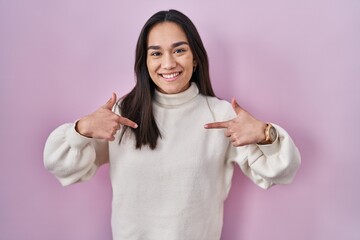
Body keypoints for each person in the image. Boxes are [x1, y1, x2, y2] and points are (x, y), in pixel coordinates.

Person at [44, 9, 301, 240]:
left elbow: (280, 171)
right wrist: (81, 130)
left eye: (179, 50)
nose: (168, 63)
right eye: (156, 53)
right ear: (145, 62)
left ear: (195, 58)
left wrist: (266, 134)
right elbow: (63, 167)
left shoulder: (220, 115)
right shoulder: (123, 113)